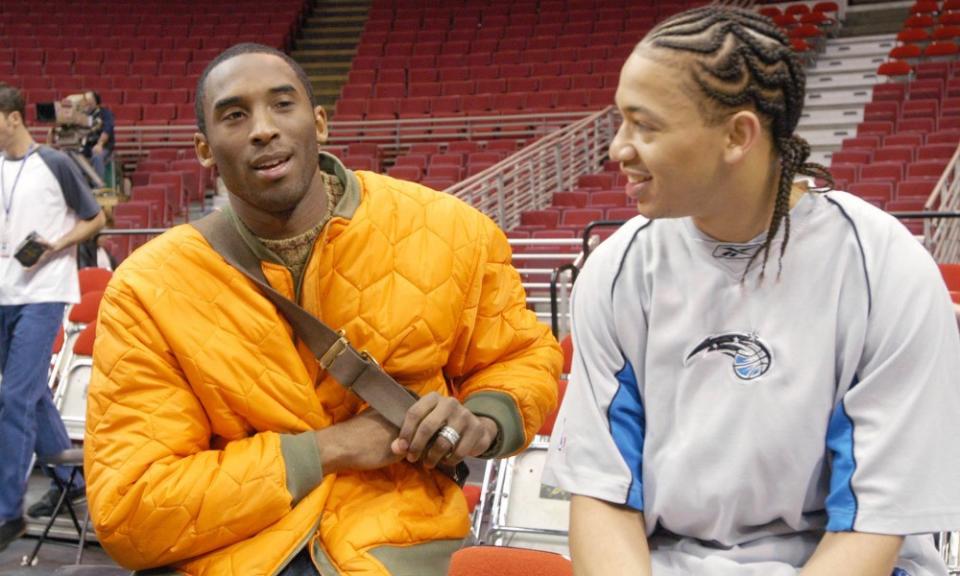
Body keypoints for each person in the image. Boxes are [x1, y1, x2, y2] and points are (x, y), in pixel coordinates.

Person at [84, 43, 560, 575]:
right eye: (235, 115)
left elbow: (519, 356)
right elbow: (131, 508)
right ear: (203, 149)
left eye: (281, 105)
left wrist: (481, 421)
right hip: (226, 558)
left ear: (320, 122)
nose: (263, 129)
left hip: (396, 554)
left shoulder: (449, 231)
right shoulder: (149, 287)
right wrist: (329, 449)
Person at [542, 8, 960, 576]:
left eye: (646, 126)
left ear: (738, 136)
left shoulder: (884, 269)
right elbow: (604, 494)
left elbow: (870, 522)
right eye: (621, 121)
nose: (619, 148)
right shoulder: (617, 268)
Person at [0, 83, 106, 552]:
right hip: (4, 294)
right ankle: (68, 477)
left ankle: (7, 512)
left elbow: (95, 218)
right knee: (34, 393)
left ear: (13, 117)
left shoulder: (55, 163)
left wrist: (55, 247)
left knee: (14, 396)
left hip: (44, 294)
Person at [82, 91, 114, 183]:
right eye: (86, 101)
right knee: (72, 157)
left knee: (97, 156)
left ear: (96, 101)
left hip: (103, 146)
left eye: (89, 100)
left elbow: (107, 130)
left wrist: (100, 144)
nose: (87, 103)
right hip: (87, 146)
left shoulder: (106, 114)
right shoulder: (83, 115)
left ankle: (98, 186)